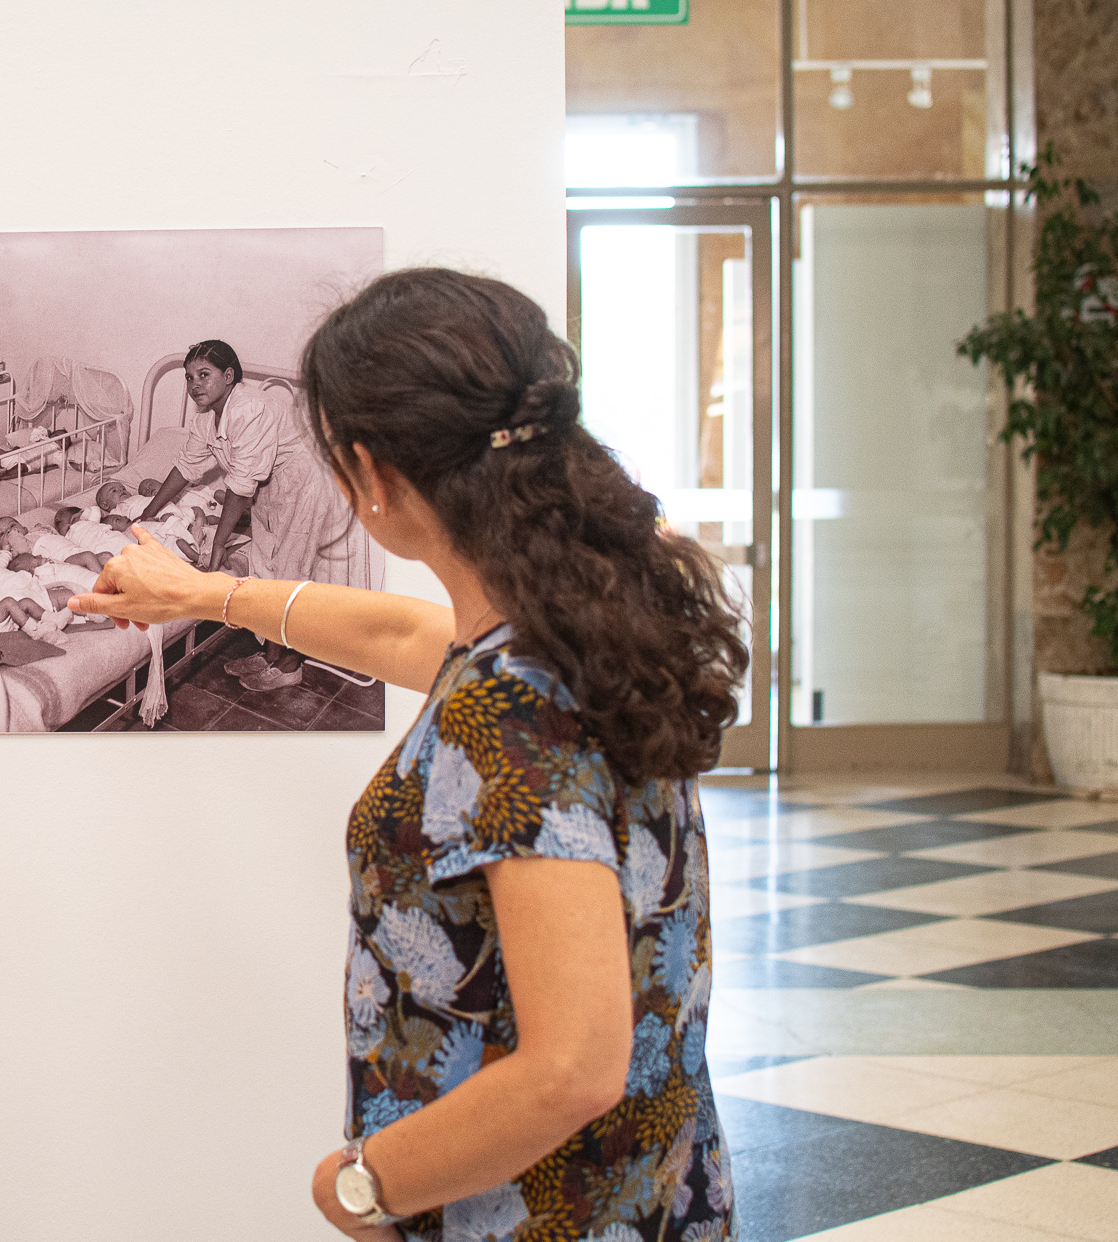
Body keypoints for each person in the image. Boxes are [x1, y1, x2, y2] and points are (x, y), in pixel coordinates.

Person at [71, 268, 747, 1242]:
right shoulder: (578, 636)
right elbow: (404, 638)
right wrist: (203, 593)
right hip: (653, 1190)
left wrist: (360, 1183)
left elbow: (574, 1066)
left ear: (372, 475)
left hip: (532, 1215)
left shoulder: (507, 714)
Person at [138, 338, 350, 693]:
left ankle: (290, 664)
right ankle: (269, 654)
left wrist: (220, 542)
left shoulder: (251, 409)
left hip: (306, 484)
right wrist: (147, 512)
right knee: (264, 567)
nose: (194, 385)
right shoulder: (207, 419)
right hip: (271, 488)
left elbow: (238, 486)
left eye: (204, 374)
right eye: (188, 377)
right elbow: (185, 467)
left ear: (229, 375)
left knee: (291, 572)